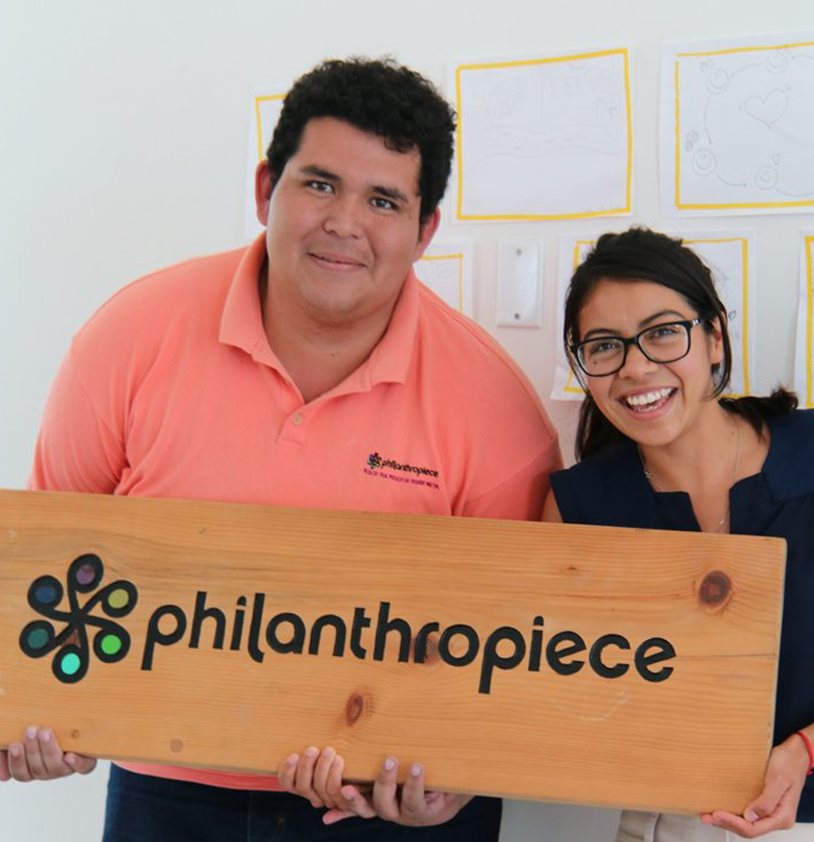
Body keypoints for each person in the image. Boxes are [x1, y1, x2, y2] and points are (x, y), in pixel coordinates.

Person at [0, 57, 561, 840]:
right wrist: (35, 714)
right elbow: (46, 568)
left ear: (425, 228)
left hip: (389, 800)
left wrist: (460, 783)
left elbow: (527, 646)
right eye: (320, 184)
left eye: (384, 200)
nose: (344, 223)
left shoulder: (494, 407)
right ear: (267, 189)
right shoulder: (127, 339)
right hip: (170, 788)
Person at [543, 227, 814, 841]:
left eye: (665, 332)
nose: (638, 367)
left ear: (714, 337)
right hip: (668, 823)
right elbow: (549, 689)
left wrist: (804, 748)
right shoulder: (578, 506)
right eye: (606, 345)